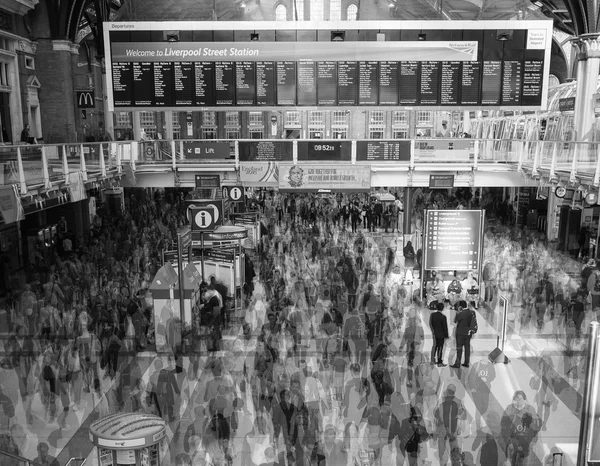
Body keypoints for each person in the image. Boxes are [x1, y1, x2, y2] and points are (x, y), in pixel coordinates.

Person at [451, 304, 476, 368]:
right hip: (468, 333)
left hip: (460, 333)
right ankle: (466, 362)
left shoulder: (460, 313)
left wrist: (457, 312)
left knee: (459, 348)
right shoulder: (472, 312)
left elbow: (455, 320)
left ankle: (457, 363)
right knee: (467, 348)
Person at [429, 302, 449, 367]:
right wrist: (446, 335)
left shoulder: (432, 315)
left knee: (435, 346)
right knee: (440, 348)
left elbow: (431, 323)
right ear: (442, 308)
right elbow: (445, 327)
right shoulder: (443, 317)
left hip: (435, 334)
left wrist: (433, 331)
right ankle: (439, 362)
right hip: (441, 335)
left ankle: (432, 360)